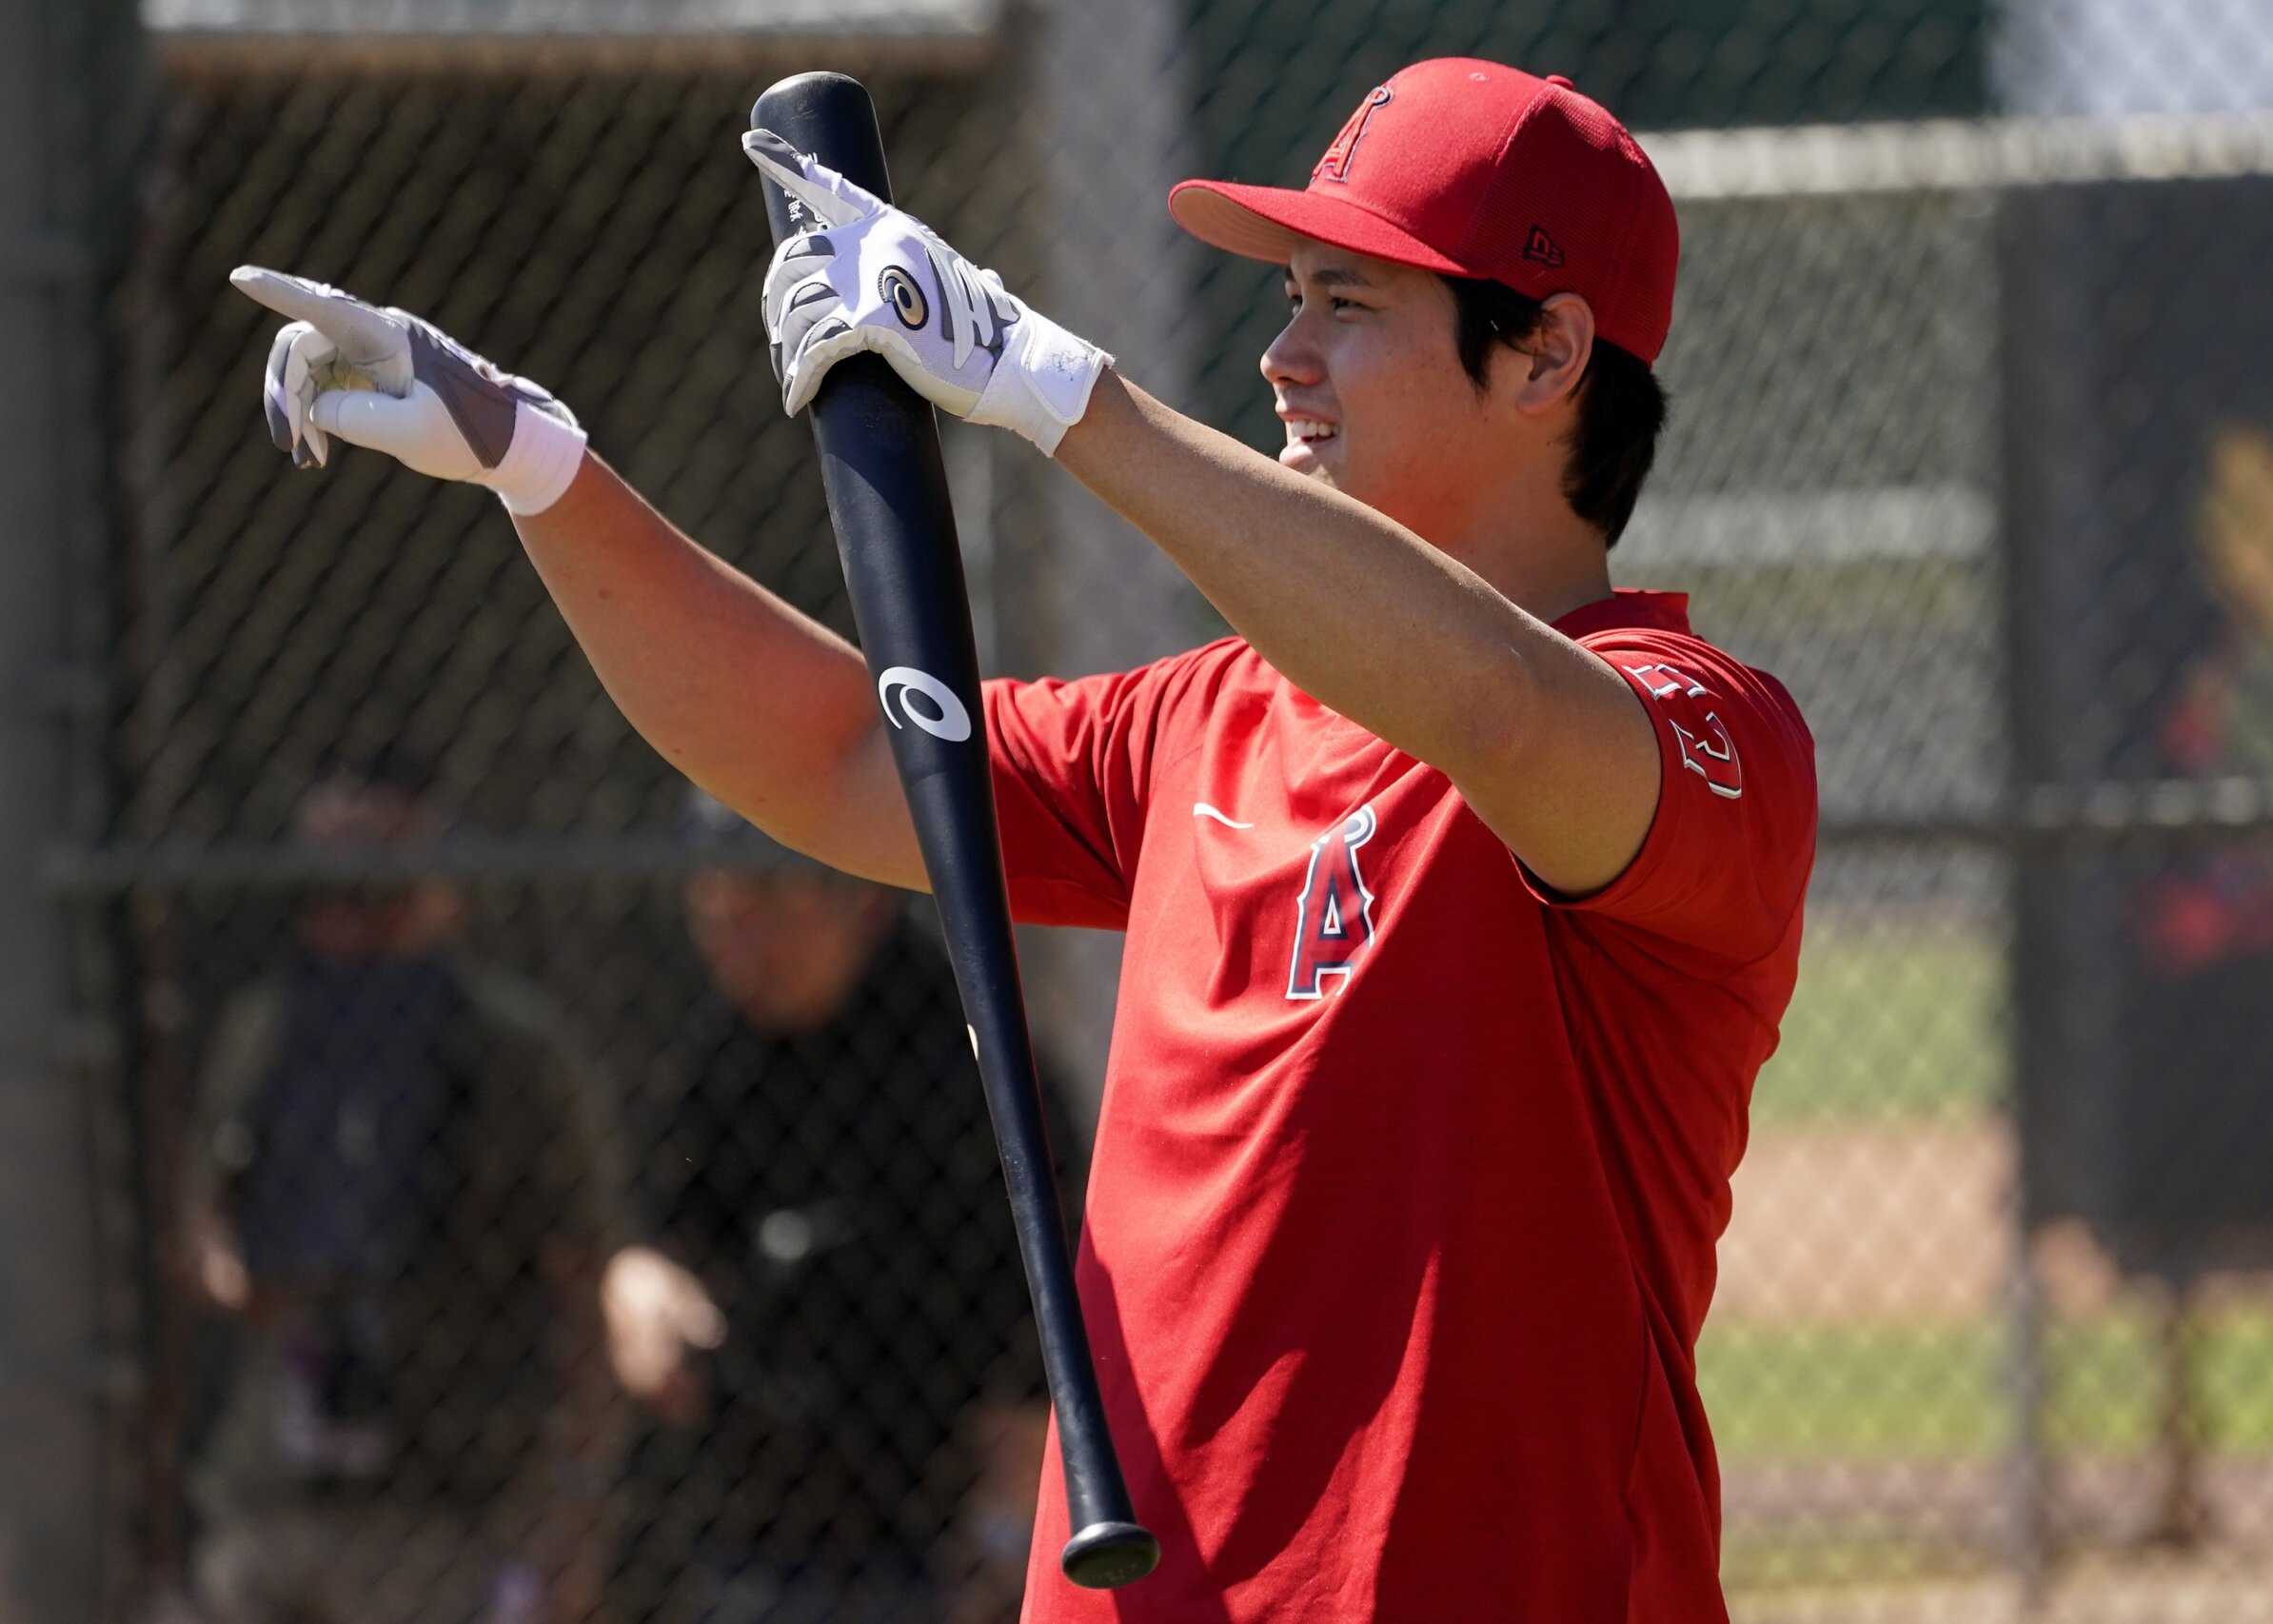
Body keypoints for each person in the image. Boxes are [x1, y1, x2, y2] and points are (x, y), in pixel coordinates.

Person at [227, 55, 1816, 1622]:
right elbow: (844, 752)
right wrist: (538, 466)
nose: (1283, 354)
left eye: (1349, 302)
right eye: (1288, 299)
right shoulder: (1203, 717)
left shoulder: (1701, 728)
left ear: (1544, 355)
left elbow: (1502, 716)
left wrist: (1052, 386)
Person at [602, 795, 1069, 1624]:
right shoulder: (724, 1051)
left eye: (775, 905)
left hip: (942, 1515)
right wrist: (644, 1284)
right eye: (719, 909)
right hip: (761, 1501)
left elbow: (1057, 1281)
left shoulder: (969, 1055)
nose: (743, 942)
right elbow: (665, 1227)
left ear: (866, 899)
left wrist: (1013, 1497)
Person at [183, 765, 622, 1624]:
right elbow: (203, 1229)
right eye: (334, 878)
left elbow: (585, 1286)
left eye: (384, 877)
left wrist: (573, 1512)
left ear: (443, 886)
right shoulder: (266, 1028)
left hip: (444, 1507)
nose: (356, 906)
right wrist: (252, 1264)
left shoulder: (511, 1048)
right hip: (270, 1493)